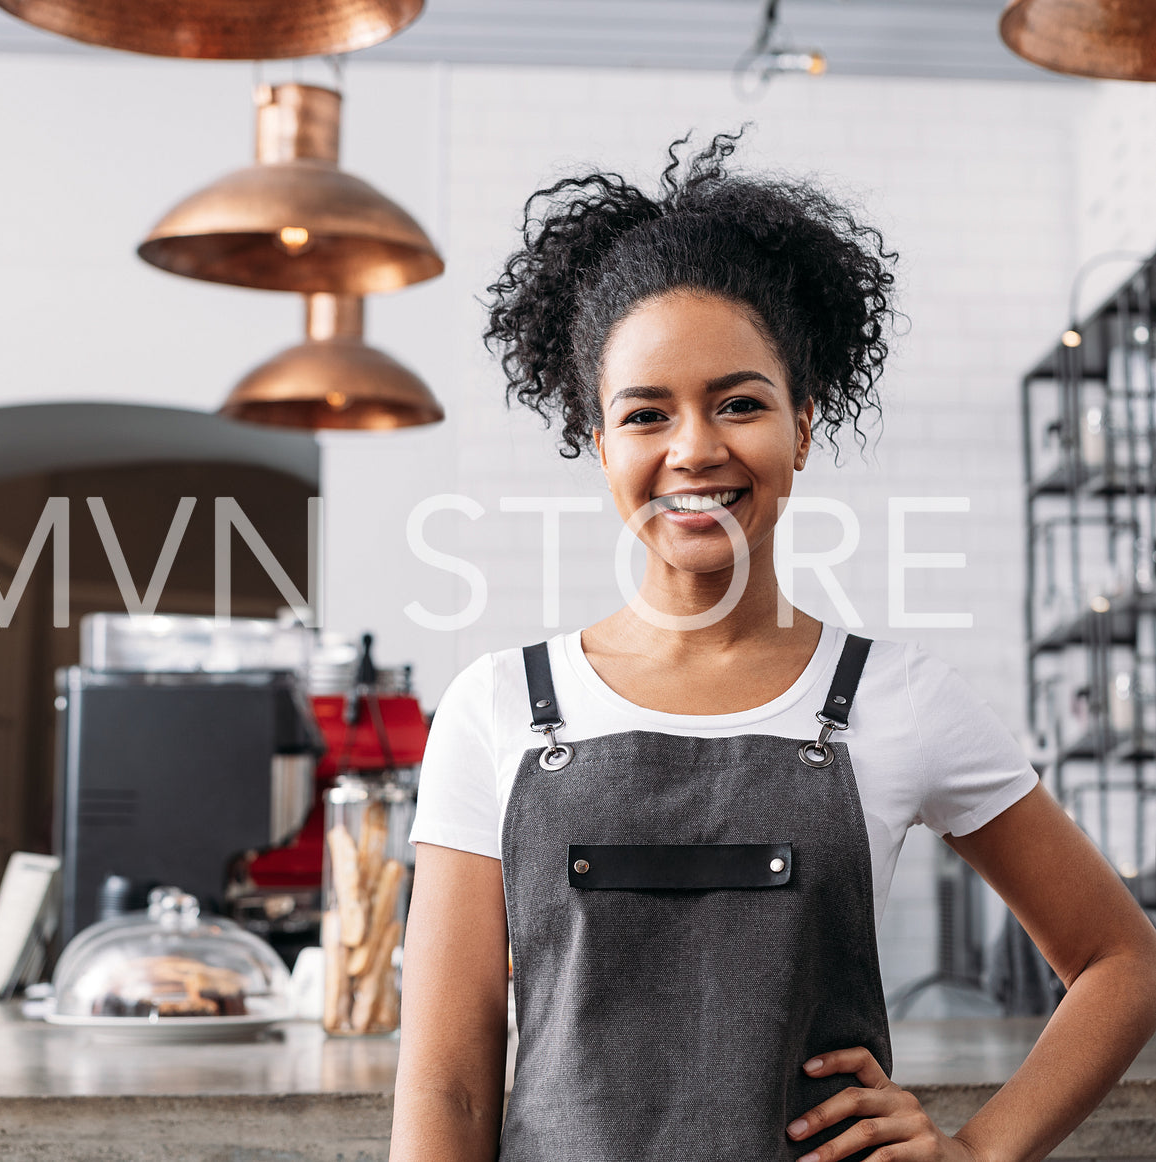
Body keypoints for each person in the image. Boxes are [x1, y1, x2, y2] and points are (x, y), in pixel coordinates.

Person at [389, 131, 1156, 1162]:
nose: (693, 448)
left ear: (801, 421)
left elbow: (1122, 960)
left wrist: (977, 1151)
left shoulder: (900, 698)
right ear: (599, 440)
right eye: (644, 413)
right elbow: (444, 1088)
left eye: (738, 403)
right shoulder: (495, 708)